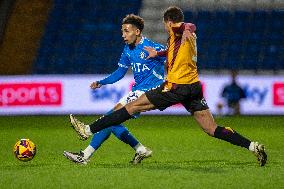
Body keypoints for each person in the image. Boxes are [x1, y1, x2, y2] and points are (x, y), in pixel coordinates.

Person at [69, 6, 267, 166]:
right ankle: (252, 146)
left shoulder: (176, 29)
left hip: (175, 87)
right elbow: (174, 51)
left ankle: (88, 130)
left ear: (169, 22)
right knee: (211, 128)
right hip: (194, 87)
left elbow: (188, 25)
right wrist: (159, 54)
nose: (165, 28)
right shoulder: (179, 42)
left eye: (166, 25)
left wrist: (187, 27)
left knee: (131, 107)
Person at [63, 14, 167, 165]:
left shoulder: (153, 47)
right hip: (137, 90)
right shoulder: (127, 50)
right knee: (112, 121)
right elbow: (120, 72)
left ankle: (84, 154)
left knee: (111, 116)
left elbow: (172, 57)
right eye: (122, 32)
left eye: (127, 31)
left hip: (149, 91)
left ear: (137, 32)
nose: (123, 35)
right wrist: (102, 82)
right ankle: (140, 149)